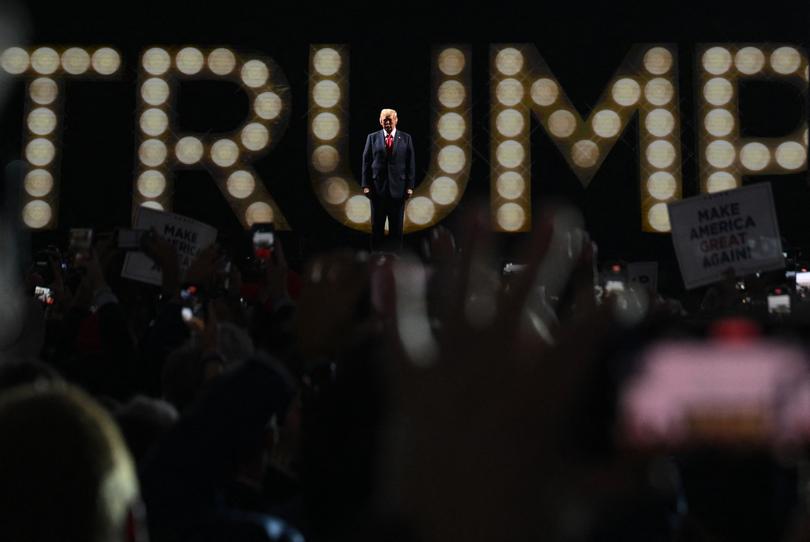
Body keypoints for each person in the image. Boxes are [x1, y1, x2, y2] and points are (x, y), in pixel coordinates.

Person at [362, 108, 416, 252]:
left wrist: (410, 186)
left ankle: (396, 260)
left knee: (396, 230)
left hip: (398, 191)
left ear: (396, 120)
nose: (387, 122)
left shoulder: (406, 138)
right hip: (377, 190)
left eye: (390, 119)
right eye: (384, 119)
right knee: (377, 229)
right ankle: (375, 260)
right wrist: (365, 185)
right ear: (380, 121)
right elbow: (366, 162)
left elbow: (410, 163)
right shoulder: (372, 138)